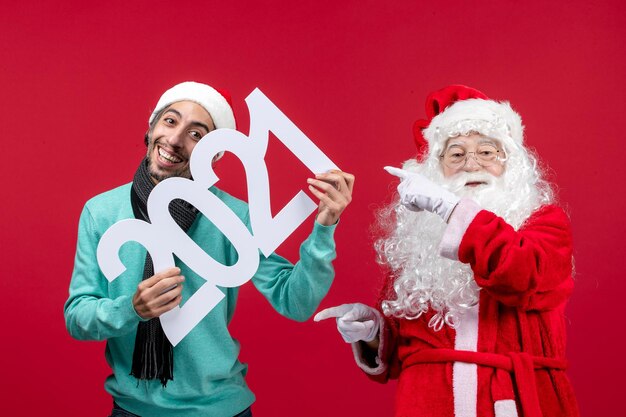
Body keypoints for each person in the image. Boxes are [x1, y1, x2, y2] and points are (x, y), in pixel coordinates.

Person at [64, 81, 355, 417]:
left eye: (197, 134)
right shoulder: (101, 212)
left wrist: (325, 226)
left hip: (220, 408)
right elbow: (77, 317)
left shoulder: (234, 218)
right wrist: (132, 309)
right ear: (152, 127)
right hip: (133, 409)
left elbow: (295, 302)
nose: (174, 140)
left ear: (216, 154)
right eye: (170, 121)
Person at [315, 85, 579, 417]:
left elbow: (521, 273)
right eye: (456, 154)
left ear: (511, 162)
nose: (472, 163)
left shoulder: (543, 223)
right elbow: (402, 355)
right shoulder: (418, 238)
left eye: (486, 151)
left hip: (518, 403)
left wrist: (450, 208)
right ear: (436, 169)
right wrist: (372, 333)